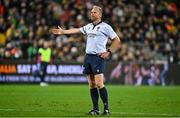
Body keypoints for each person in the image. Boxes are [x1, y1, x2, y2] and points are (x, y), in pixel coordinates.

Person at [52, 5, 120, 115]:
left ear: (100, 15)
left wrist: (109, 52)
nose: (92, 14)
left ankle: (106, 109)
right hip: (88, 57)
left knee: (99, 83)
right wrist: (64, 32)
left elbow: (116, 40)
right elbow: (77, 30)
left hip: (98, 57)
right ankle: (95, 109)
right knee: (92, 84)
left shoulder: (105, 27)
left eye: (94, 12)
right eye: (91, 12)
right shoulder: (88, 26)